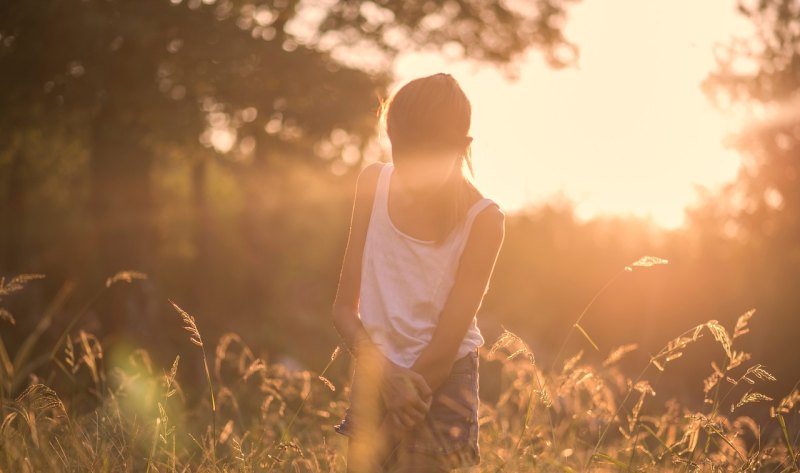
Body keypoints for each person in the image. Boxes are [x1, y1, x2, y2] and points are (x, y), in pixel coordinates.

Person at [330, 72, 505, 472]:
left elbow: (444, 351)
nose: (410, 169)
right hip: (376, 369)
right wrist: (385, 376)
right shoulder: (373, 182)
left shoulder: (484, 221)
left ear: (462, 147)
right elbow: (342, 309)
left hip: (445, 385)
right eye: (401, 151)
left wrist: (386, 434)